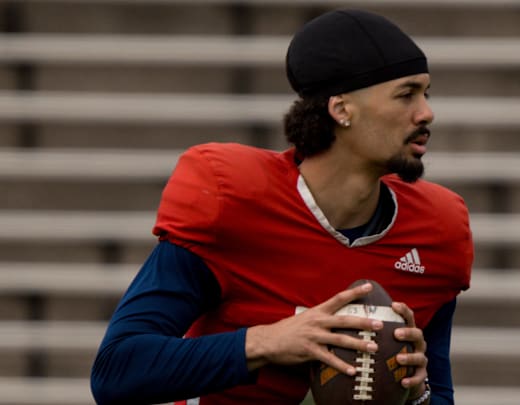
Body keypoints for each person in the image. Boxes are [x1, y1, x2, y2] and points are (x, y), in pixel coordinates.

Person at [91, 8, 473, 405]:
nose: (425, 112)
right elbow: (116, 371)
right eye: (406, 94)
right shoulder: (233, 202)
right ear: (341, 109)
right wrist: (266, 341)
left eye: (426, 94)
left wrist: (415, 395)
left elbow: (439, 392)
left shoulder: (436, 231)